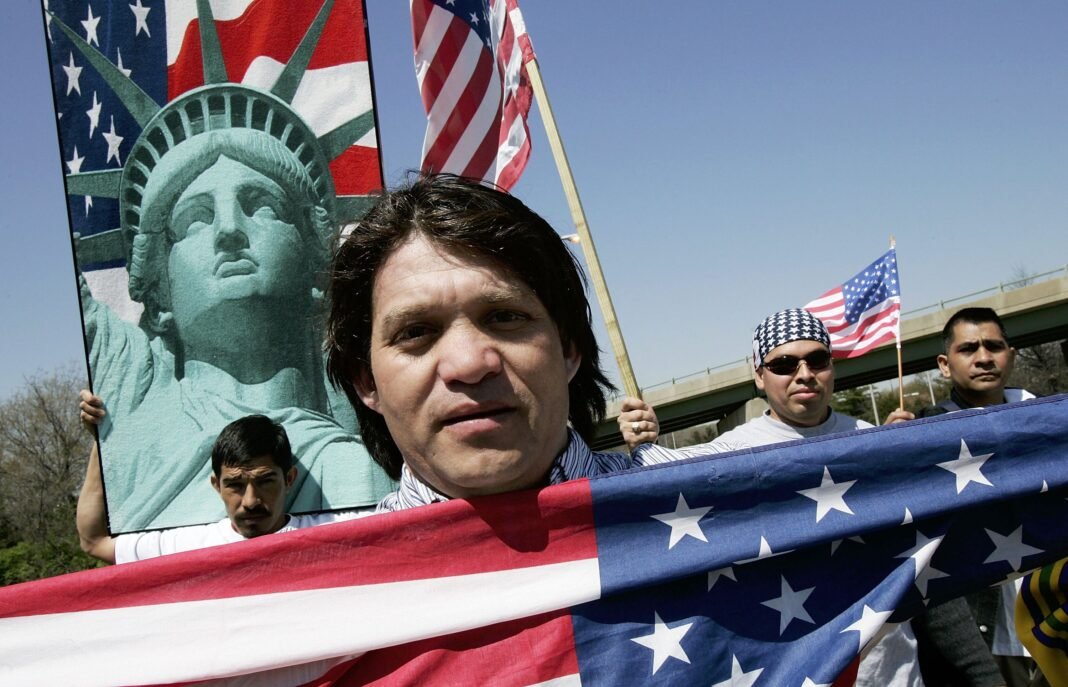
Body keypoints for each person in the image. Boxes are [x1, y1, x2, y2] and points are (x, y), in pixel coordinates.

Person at [77, 81, 395, 533]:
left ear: (314, 267)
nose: (229, 230)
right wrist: (105, 436)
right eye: (194, 219)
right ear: (160, 293)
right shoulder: (135, 393)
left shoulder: (362, 456)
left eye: (263, 206)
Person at [323, 173, 684, 511]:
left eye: (505, 317)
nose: (469, 364)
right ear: (367, 382)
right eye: (415, 332)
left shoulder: (709, 501)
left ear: (568, 349)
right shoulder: (328, 562)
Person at [618, 308, 924, 687]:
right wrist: (644, 445)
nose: (804, 374)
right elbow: (662, 486)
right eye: (784, 364)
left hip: (888, 669)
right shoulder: (730, 455)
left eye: (817, 360)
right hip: (796, 665)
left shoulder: (874, 442)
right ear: (759, 376)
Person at [887, 307, 1043, 687]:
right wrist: (886, 452)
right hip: (985, 640)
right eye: (969, 348)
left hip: (1052, 619)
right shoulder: (923, 436)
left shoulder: (1047, 421)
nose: (984, 357)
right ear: (944, 364)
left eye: (994, 346)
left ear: (1011, 355)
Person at [77, 391, 372, 565]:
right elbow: (94, 541)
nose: (251, 501)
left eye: (265, 481)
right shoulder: (191, 547)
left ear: (289, 479)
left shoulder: (337, 533)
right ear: (216, 485)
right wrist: (101, 442)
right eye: (235, 485)